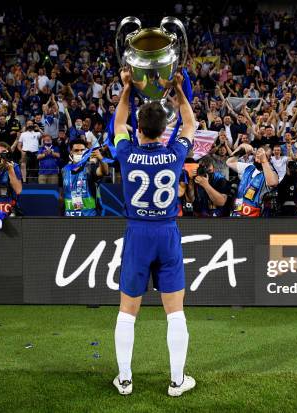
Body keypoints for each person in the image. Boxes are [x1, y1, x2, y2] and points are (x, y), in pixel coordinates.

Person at [112, 68, 196, 397]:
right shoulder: (174, 153)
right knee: (175, 312)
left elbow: (119, 124)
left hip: (137, 233)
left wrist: (127, 88)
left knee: (127, 312)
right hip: (167, 231)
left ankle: (125, 379)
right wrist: (178, 89)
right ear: (163, 130)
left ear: (139, 129)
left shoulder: (126, 152)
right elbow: (189, 124)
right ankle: (177, 381)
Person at [227, 143, 279, 217]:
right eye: (258, 154)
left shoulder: (270, 173)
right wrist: (241, 150)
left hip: (255, 218)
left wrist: (264, 161)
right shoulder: (248, 167)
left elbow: (272, 182)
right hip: (237, 213)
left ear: (269, 159)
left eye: (263, 156)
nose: (259, 157)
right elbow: (229, 162)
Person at [61, 138, 107, 216]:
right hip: (69, 217)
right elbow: (62, 194)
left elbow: (104, 171)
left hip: (88, 217)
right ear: (71, 152)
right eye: (76, 150)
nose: (79, 153)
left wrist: (101, 159)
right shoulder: (64, 170)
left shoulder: (90, 167)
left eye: (82, 150)